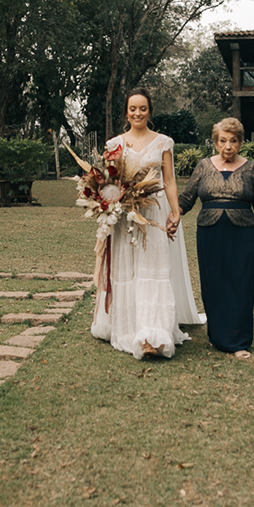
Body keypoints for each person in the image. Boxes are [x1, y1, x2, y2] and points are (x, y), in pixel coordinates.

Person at [89, 88, 204, 359]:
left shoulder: (164, 142)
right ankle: (127, 327)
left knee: (154, 267)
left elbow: (170, 181)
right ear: (126, 112)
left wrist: (176, 211)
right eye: (133, 109)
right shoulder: (114, 144)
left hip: (154, 211)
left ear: (150, 111)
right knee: (128, 268)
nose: (138, 113)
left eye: (143, 108)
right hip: (125, 214)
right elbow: (108, 180)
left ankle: (154, 331)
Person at [177, 117, 254, 358]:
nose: (228, 146)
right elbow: (186, 200)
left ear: (241, 142)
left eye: (233, 141)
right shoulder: (203, 166)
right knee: (214, 284)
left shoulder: (251, 168)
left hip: (242, 235)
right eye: (223, 141)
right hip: (210, 234)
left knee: (241, 284)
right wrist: (171, 217)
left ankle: (239, 341)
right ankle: (218, 336)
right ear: (215, 142)